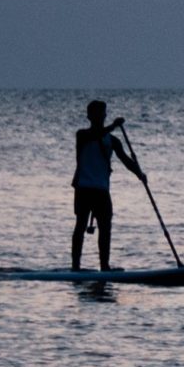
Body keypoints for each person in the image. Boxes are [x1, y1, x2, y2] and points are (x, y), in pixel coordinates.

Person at [70, 99, 143, 271]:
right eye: (95, 113)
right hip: (83, 188)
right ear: (89, 116)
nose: (99, 116)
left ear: (105, 115)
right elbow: (95, 135)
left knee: (105, 227)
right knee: (80, 225)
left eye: (102, 113)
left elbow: (126, 160)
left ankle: (104, 266)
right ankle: (75, 267)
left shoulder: (112, 141)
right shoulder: (82, 135)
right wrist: (113, 126)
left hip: (101, 190)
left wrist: (140, 174)